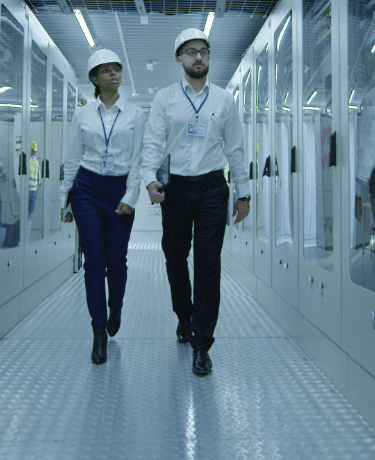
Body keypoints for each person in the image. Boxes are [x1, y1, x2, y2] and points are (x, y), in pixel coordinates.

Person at [140, 28, 250, 376]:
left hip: (212, 188)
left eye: (203, 51)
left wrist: (243, 192)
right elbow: (153, 144)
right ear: (179, 58)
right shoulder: (165, 98)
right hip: (175, 188)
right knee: (175, 257)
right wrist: (149, 181)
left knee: (208, 263)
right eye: (190, 51)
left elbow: (235, 148)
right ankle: (183, 315)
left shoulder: (223, 100)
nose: (198, 57)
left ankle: (203, 343)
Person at [61, 48, 146, 365]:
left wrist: (130, 197)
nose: (114, 74)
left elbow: (138, 161)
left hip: (119, 190)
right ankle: (98, 332)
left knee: (117, 262)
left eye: (117, 69)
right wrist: (65, 200)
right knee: (94, 261)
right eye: (106, 70)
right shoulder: (82, 114)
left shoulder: (135, 114)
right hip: (87, 189)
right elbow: (72, 159)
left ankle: (116, 306)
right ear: (95, 79)